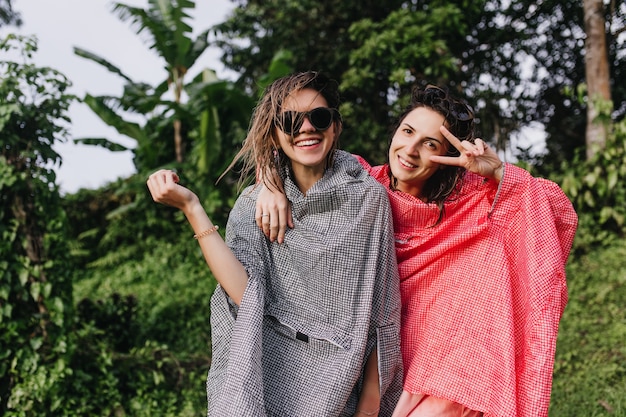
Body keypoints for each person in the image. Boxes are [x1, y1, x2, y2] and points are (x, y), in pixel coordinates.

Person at [255, 84, 578, 417]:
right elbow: (300, 157)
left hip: (450, 368)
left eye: (430, 144)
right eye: (407, 131)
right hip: (374, 361)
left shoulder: (469, 200)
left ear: (445, 159)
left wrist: (497, 172)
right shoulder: (361, 183)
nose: (410, 150)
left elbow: (555, 212)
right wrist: (269, 181)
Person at [146, 71, 403, 417]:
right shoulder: (254, 203)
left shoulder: (368, 199)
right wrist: (192, 207)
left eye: (320, 117)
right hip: (265, 372)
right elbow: (244, 293)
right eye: (290, 120)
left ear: (336, 127)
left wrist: (370, 407)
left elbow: (382, 310)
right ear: (275, 133)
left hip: (339, 388)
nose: (307, 127)